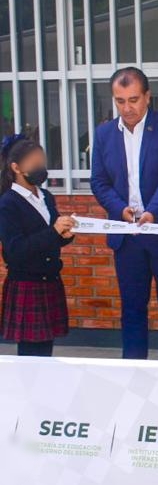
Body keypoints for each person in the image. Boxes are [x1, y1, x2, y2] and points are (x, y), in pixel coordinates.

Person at [91, 67, 158, 361]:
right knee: (132, 308)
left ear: (148, 97)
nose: (127, 107)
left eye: (133, 99)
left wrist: (153, 211)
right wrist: (118, 208)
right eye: (120, 100)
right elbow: (99, 181)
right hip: (127, 237)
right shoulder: (103, 134)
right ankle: (134, 370)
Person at [0, 135, 75, 357]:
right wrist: (53, 232)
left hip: (50, 278)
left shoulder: (46, 196)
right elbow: (16, 250)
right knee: (31, 354)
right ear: (16, 167)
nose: (40, 168)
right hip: (26, 282)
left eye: (42, 163)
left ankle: (43, 390)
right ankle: (28, 391)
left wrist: (65, 235)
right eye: (34, 164)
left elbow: (53, 237)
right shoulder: (8, 203)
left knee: (46, 349)